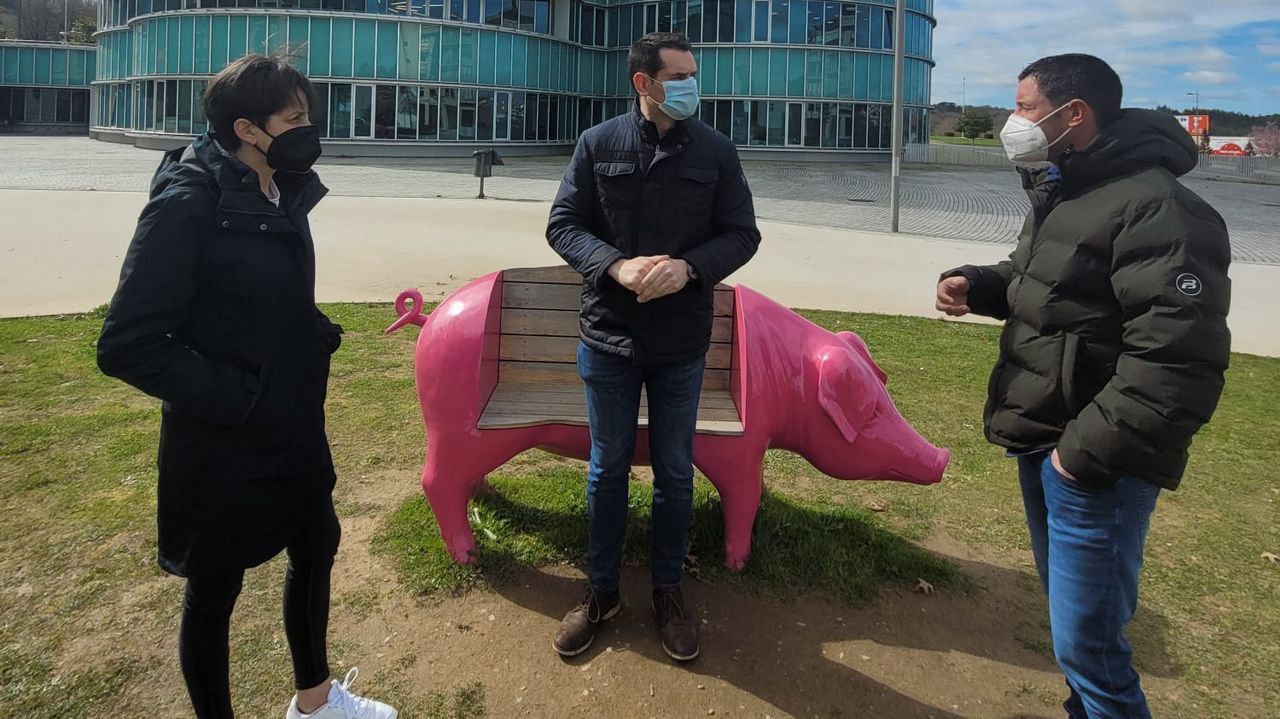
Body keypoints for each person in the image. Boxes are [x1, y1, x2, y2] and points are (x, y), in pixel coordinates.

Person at [96, 55, 396, 719]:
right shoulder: (187, 202)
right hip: (221, 446)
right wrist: (238, 394)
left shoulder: (281, 186)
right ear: (247, 128)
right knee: (215, 590)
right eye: (295, 120)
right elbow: (127, 343)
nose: (309, 130)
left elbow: (251, 292)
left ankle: (316, 703)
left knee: (318, 542)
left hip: (293, 427)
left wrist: (308, 329)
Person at [935, 54, 1231, 719]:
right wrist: (976, 284)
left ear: (1074, 115)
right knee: (1077, 632)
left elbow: (1178, 360)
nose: (1014, 122)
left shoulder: (1163, 210)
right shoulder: (1063, 189)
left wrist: (1081, 457)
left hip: (1095, 464)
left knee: (1091, 646)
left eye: (1025, 107)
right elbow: (1034, 279)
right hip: (1047, 438)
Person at [545, 32, 761, 662]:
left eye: (695, 73)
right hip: (607, 337)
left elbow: (742, 233)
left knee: (673, 471)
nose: (694, 85)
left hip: (680, 342)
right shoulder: (597, 143)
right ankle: (602, 591)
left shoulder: (717, 151)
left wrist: (690, 268)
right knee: (607, 469)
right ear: (644, 83)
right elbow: (564, 224)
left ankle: (668, 591)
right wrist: (614, 266)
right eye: (680, 75)